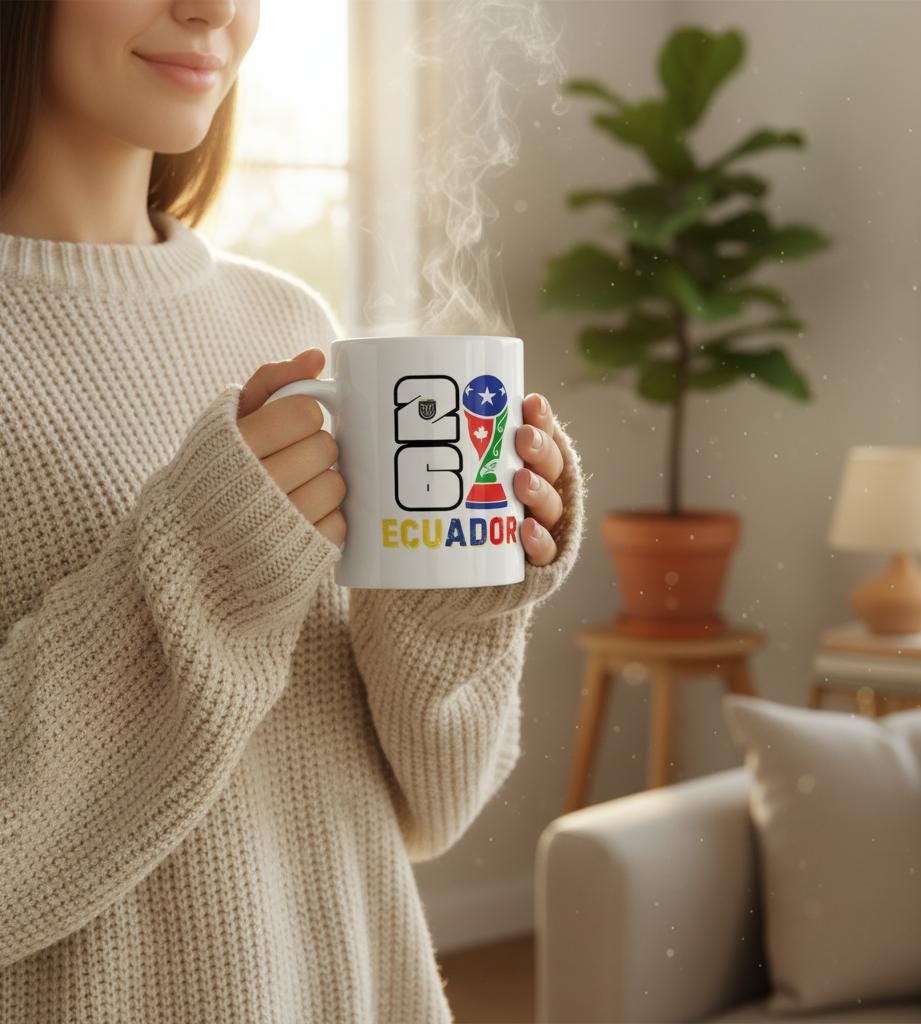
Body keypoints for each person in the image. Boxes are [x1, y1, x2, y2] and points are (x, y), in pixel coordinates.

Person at [0, 1, 587, 1021]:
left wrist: (459, 598)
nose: (214, 9)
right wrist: (208, 562)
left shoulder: (286, 323)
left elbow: (423, 806)